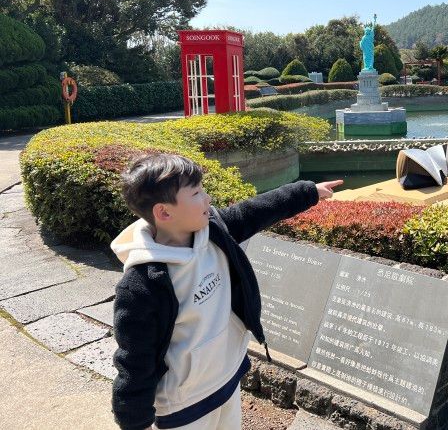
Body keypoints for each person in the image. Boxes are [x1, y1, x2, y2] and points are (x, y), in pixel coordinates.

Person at [110, 153, 342, 430]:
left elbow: (256, 210)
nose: (207, 198)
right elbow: (135, 360)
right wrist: (135, 422)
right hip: (183, 406)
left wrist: (308, 192)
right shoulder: (143, 284)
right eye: (196, 193)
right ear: (164, 212)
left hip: (227, 378)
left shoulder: (215, 231)